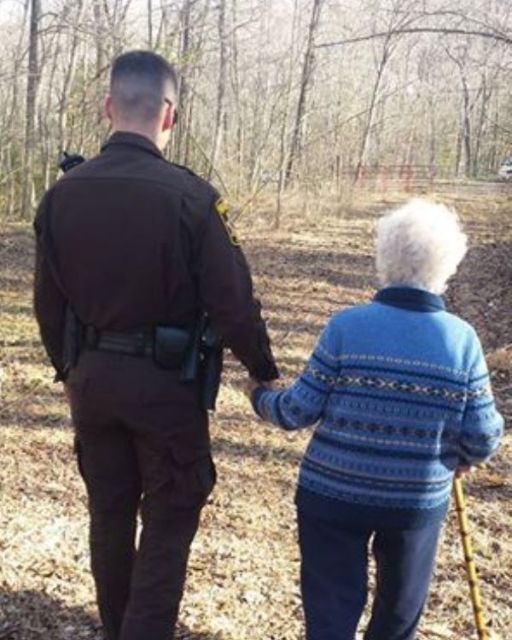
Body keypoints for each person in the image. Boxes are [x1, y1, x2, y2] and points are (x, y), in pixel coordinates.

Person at [33, 50, 278, 640]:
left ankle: (119, 628)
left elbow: (47, 304)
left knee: (109, 517)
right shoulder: (192, 198)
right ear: (170, 115)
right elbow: (233, 305)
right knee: (168, 521)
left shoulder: (62, 196)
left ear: (107, 107)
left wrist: (68, 370)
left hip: (92, 383)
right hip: (166, 389)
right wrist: (263, 371)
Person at [248, 199, 504, 640]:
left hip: (332, 493)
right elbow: (482, 436)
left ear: (384, 257)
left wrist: (259, 396)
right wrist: (462, 456)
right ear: (448, 265)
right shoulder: (462, 341)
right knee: (398, 615)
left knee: (330, 611)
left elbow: (296, 410)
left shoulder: (346, 327)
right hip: (414, 500)